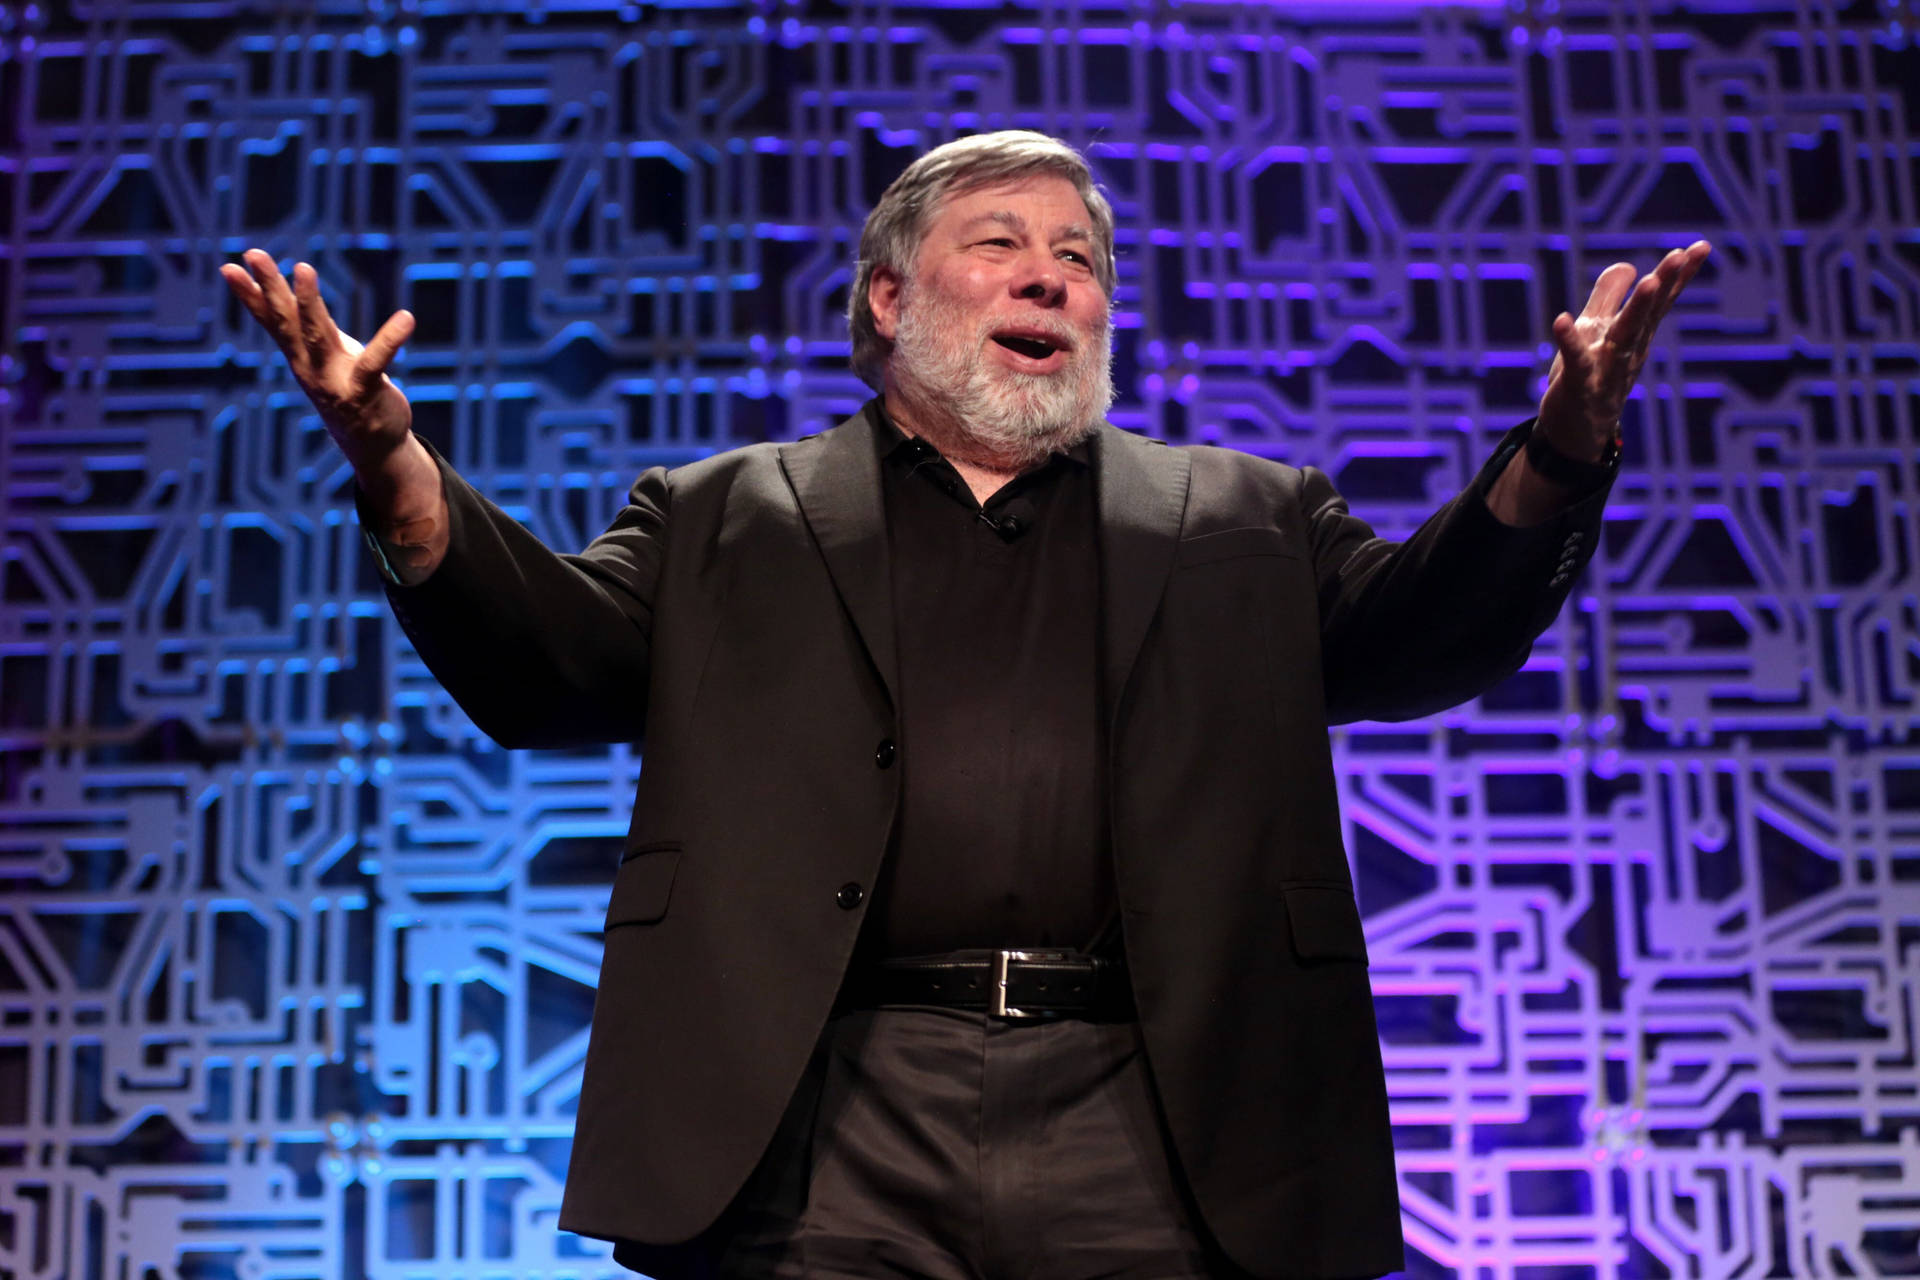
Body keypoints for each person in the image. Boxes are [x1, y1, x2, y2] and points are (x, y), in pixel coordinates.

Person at [221, 131, 1709, 1279]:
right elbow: (550, 668)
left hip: (1163, 1104)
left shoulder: (1243, 514)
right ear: (888, 299)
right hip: (822, 1110)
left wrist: (1564, 448)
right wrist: (397, 471)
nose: (1051, 275)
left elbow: (1424, 638)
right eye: (999, 243)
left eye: (1080, 256)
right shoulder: (728, 511)